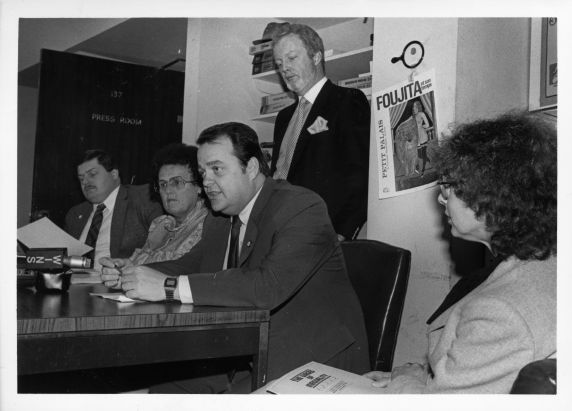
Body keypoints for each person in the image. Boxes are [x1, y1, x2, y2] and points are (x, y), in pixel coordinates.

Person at [101, 122, 369, 393]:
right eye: (203, 171)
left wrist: (167, 287)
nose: (206, 181)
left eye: (216, 169)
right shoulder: (221, 217)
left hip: (308, 365)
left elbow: (267, 285)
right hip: (245, 355)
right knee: (162, 389)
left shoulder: (301, 207)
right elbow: (193, 263)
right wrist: (134, 270)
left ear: (251, 168)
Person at [364, 111, 556, 393]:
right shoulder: (542, 263)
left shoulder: (501, 312)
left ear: (489, 194)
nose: (441, 197)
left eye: (448, 186)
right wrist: (419, 376)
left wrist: (403, 378)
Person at [270, 23, 370, 241]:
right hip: (279, 230)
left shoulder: (347, 101)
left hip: (322, 233)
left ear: (316, 57)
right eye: (279, 63)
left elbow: (361, 174)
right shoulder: (284, 118)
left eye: (292, 58)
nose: (284, 68)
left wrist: (343, 231)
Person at [65, 149, 163, 269]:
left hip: (119, 283)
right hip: (75, 283)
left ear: (114, 174)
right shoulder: (75, 214)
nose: (85, 182)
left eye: (92, 174)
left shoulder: (143, 198)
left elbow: (164, 246)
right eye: (81, 178)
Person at [129, 143, 208, 265]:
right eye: (163, 184)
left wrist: (136, 264)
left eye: (177, 182)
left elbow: (176, 270)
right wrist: (122, 265)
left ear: (198, 186)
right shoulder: (161, 224)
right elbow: (137, 266)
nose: (168, 190)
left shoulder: (208, 225)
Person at [412, 100, 431, 175]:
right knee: (420, 154)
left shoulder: (421, 114)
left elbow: (428, 125)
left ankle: (422, 171)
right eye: (413, 106)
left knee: (422, 154)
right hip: (417, 137)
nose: (414, 108)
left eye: (415, 106)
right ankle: (429, 161)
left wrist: (421, 126)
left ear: (418, 107)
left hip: (422, 136)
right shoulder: (414, 116)